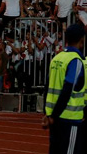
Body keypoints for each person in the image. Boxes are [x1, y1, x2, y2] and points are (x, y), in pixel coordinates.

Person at [43, 23, 85, 154]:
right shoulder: (76, 61)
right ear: (82, 40)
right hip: (70, 118)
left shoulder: (57, 58)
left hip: (54, 119)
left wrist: (47, 114)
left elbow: (47, 87)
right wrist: (54, 115)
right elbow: (68, 89)